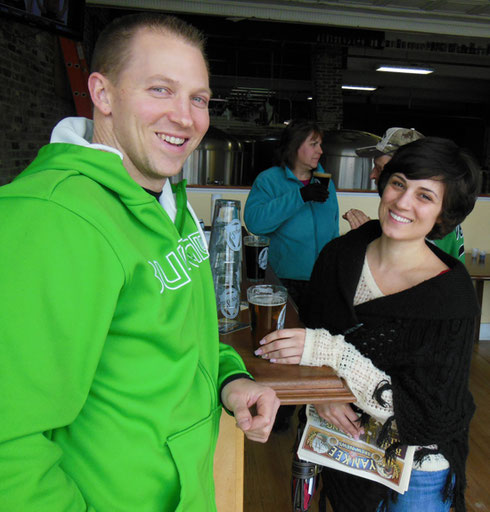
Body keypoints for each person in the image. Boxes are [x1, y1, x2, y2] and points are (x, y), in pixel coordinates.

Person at [0, 13, 280, 512]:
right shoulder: (52, 219)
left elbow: (180, 337)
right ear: (102, 95)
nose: (185, 117)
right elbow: (8, 442)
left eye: (198, 98)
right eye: (160, 89)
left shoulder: (166, 200)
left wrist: (231, 380)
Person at [255, 137, 480, 511]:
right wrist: (321, 393)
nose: (403, 202)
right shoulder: (339, 256)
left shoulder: (452, 298)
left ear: (443, 214)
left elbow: (429, 414)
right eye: (398, 183)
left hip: (419, 464)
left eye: (425, 196)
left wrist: (331, 355)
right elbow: (303, 346)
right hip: (344, 449)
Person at [244, 119, 339, 312]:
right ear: (295, 145)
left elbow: (333, 229)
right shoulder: (269, 180)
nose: (320, 151)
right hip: (282, 280)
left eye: (320, 145)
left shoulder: (325, 183)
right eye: (313, 144)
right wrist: (300, 197)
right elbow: (255, 223)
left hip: (322, 281)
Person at [344, 127, 466, 262]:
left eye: (380, 169)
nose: (372, 175)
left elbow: (411, 272)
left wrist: (371, 237)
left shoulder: (430, 218)